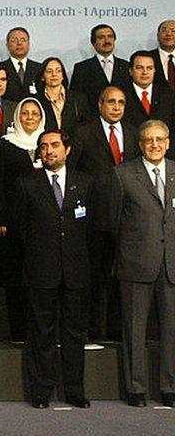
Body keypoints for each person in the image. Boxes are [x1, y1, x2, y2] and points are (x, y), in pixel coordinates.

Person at [10, 129, 93, 409]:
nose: (49, 151)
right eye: (43, 146)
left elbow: (92, 228)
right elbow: (20, 230)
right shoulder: (26, 184)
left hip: (76, 270)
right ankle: (41, 391)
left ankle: (74, 391)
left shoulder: (84, 183)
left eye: (55, 145)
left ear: (67, 150)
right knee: (41, 334)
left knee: (73, 334)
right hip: (40, 269)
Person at [109, 119, 175, 408]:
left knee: (172, 329)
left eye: (160, 139)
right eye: (149, 140)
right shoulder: (122, 174)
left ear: (168, 142)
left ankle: (169, 386)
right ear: (140, 144)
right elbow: (113, 222)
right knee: (134, 330)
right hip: (136, 263)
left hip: (172, 264)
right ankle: (136, 388)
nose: (155, 144)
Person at [70, 86, 139, 342]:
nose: (117, 107)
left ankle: (116, 330)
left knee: (123, 277)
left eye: (121, 102)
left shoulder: (134, 133)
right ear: (100, 104)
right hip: (95, 218)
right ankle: (91, 330)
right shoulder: (83, 132)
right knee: (95, 277)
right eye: (111, 102)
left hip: (129, 218)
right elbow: (73, 174)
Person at [0, 98, 46, 341]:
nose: (31, 117)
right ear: (17, 116)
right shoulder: (4, 145)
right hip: (14, 222)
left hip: (44, 223)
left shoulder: (49, 142)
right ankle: (19, 333)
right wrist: (1, 219)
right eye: (25, 113)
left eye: (35, 113)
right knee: (16, 277)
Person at [71, 24, 131, 114]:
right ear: (93, 43)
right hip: (92, 121)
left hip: (123, 121)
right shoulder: (82, 68)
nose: (107, 41)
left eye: (110, 36)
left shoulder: (127, 67)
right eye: (101, 37)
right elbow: (76, 99)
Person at [30, 57, 90, 133]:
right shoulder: (35, 101)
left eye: (58, 71)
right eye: (49, 71)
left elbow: (86, 126)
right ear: (42, 77)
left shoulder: (78, 99)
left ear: (63, 76)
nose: (54, 74)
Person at [124, 50, 175, 133]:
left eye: (149, 68)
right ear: (130, 71)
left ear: (154, 70)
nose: (145, 72)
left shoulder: (168, 95)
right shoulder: (121, 95)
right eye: (139, 68)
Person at [0, 27, 41, 102]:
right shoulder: (0, 68)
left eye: (23, 40)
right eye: (14, 40)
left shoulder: (40, 68)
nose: (19, 43)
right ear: (7, 45)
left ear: (28, 44)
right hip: (7, 111)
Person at [151, 20, 175, 89]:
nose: (169, 34)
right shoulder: (148, 57)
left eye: (173, 31)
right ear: (158, 35)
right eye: (164, 31)